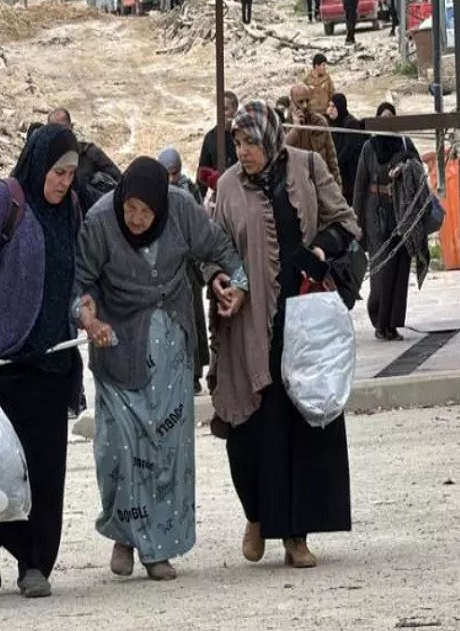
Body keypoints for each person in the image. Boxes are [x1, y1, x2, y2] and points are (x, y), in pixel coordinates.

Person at [76, 156, 248, 582]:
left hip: (170, 344)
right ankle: (123, 536)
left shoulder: (182, 209)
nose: (135, 219)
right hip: (118, 344)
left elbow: (219, 248)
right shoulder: (100, 221)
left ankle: (158, 548)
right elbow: (80, 281)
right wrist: (87, 316)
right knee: (118, 446)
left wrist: (236, 283)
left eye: (145, 211)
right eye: (129, 208)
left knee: (166, 448)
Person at [211, 101, 359, 568]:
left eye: (251, 142)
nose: (244, 151)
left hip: (304, 321)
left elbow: (345, 222)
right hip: (251, 326)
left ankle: (297, 536)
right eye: (238, 142)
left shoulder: (307, 167)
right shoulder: (228, 186)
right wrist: (225, 282)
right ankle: (256, 516)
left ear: (271, 139)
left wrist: (321, 249)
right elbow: (214, 249)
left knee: (302, 428)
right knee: (251, 431)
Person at [0, 124, 83, 599]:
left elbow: (74, 276)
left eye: (71, 173)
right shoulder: (2, 202)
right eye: (58, 172)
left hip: (51, 362)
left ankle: (36, 564)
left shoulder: (70, 209)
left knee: (46, 472)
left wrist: (83, 313)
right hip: (4, 363)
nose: (64, 181)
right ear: (38, 164)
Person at [354, 102, 421, 341]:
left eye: (390, 119)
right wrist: (356, 220)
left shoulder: (404, 144)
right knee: (381, 268)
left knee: (400, 268)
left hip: (400, 211)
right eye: (382, 119)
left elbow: (418, 168)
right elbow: (360, 184)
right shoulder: (369, 147)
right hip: (375, 213)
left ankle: (392, 324)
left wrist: (404, 168)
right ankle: (379, 321)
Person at [158, 147, 210, 395]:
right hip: (165, 269)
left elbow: (200, 225)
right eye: (167, 173)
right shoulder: (155, 193)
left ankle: (194, 374)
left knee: (193, 319)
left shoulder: (189, 190)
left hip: (188, 267)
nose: (171, 179)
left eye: (174, 173)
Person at [48, 107, 122, 212]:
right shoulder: (45, 159)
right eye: (53, 132)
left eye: (62, 130)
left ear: (71, 128)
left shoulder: (90, 153)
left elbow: (120, 181)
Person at [286, 83, 342, 189]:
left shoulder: (320, 122)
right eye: (300, 102)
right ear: (292, 103)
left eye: (307, 101)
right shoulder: (286, 124)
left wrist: (337, 186)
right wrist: (296, 128)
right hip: (298, 185)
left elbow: (331, 157)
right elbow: (281, 150)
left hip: (320, 181)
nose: (305, 105)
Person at [197, 90, 240, 199]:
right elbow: (202, 172)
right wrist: (198, 201)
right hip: (220, 195)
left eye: (225, 109)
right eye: (219, 109)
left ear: (235, 110)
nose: (221, 113)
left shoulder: (242, 135)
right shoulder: (210, 138)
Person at [328, 93, 367, 205]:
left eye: (333, 106)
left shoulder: (350, 124)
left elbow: (347, 151)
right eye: (329, 106)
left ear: (340, 107)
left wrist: (333, 164)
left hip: (350, 176)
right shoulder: (335, 123)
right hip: (341, 174)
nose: (330, 110)